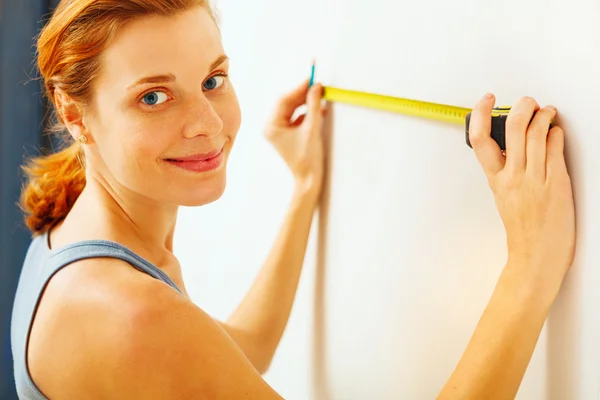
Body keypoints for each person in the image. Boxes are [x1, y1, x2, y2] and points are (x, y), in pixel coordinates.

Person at [10, 0, 576, 399]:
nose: (208, 124)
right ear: (73, 114)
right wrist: (531, 269)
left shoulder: (81, 225)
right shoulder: (126, 314)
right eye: (154, 96)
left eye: (212, 80)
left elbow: (237, 355)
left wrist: (304, 189)